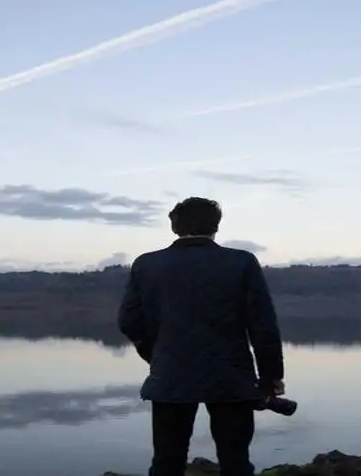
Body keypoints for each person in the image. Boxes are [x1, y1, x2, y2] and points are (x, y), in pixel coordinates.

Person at [117, 197, 285, 476]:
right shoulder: (241, 262)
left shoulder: (147, 264)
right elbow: (263, 325)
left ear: (174, 227)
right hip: (231, 376)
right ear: (216, 225)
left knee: (166, 462)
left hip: (170, 374)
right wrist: (271, 377)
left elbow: (129, 321)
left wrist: (157, 355)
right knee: (236, 462)